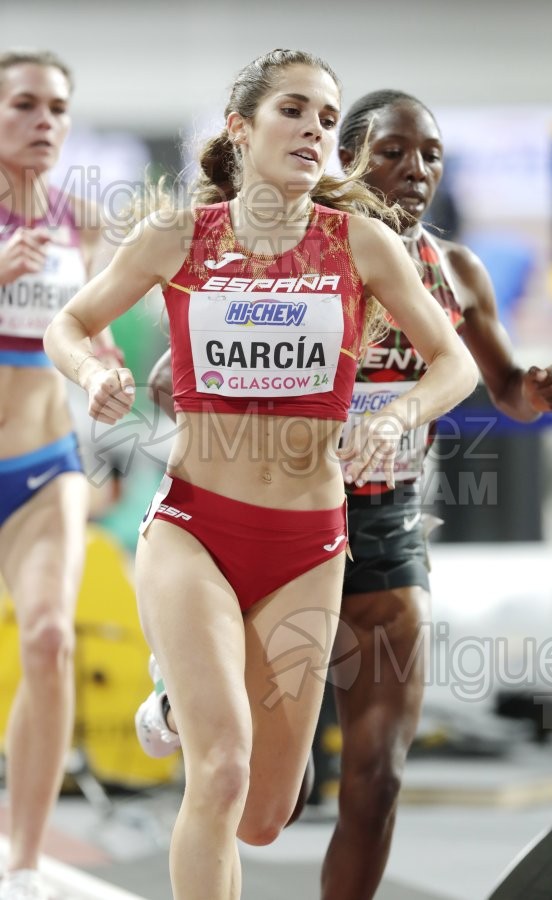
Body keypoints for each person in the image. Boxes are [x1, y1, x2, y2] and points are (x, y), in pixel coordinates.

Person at [43, 50, 477, 900]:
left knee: (267, 813)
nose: (316, 129)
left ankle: (174, 705)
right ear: (241, 128)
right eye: (295, 110)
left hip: (310, 545)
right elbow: (70, 319)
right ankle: (189, 699)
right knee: (223, 768)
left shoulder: (359, 241)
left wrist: (393, 416)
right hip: (195, 530)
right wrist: (94, 374)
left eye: (328, 117)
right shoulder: (177, 235)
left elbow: (452, 363)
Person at [134, 86, 552, 900]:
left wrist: (532, 390)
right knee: (278, 791)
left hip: (390, 527)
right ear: (349, 160)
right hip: (288, 518)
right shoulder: (305, 256)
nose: (415, 171)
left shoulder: (455, 271)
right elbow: (179, 376)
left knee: (378, 775)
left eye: (431, 155)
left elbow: (502, 385)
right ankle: (180, 702)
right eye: (393, 153)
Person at [0, 50, 123, 900]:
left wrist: (104, 371)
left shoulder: (85, 223)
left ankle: (24, 860)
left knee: (49, 639)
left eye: (58, 108)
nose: (45, 121)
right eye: (24, 105)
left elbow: (97, 343)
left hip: (47, 467)